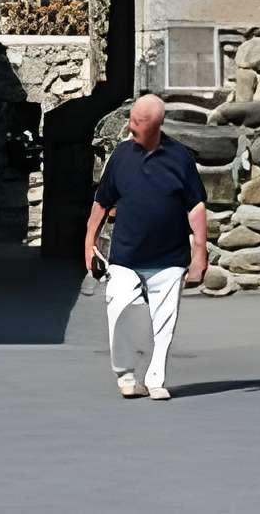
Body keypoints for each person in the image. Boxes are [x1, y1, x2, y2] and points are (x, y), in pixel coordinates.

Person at [83, 92, 208, 400]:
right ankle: (126, 376)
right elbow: (102, 201)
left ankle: (155, 379)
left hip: (169, 258)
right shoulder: (121, 156)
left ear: (155, 125)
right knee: (119, 312)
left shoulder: (179, 158)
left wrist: (200, 251)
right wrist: (89, 240)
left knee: (164, 323)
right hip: (125, 256)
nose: (131, 126)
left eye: (138, 121)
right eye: (132, 119)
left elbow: (195, 205)